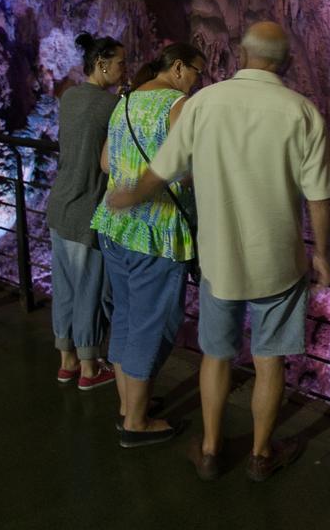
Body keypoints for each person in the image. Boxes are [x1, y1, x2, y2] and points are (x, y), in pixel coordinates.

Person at [107, 21, 330, 481]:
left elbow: (163, 169)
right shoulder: (302, 112)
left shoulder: (203, 103)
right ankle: (260, 454)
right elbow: (319, 197)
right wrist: (323, 256)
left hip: (218, 259)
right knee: (268, 358)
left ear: (242, 54)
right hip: (278, 261)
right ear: (286, 61)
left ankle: (212, 450)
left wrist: (131, 196)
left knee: (216, 355)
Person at [91, 42, 204, 448]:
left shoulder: (124, 101)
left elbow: (106, 162)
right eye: (196, 72)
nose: (197, 81)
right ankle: (136, 423)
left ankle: (128, 404)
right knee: (151, 324)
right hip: (156, 230)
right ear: (177, 68)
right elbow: (185, 167)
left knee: (124, 315)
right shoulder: (177, 105)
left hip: (115, 225)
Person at [47, 32, 124, 391]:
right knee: (90, 288)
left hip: (60, 203)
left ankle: (67, 361)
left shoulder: (70, 96)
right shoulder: (110, 107)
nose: (125, 70)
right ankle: (91, 368)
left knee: (64, 286)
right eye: (120, 63)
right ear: (102, 64)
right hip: (86, 207)